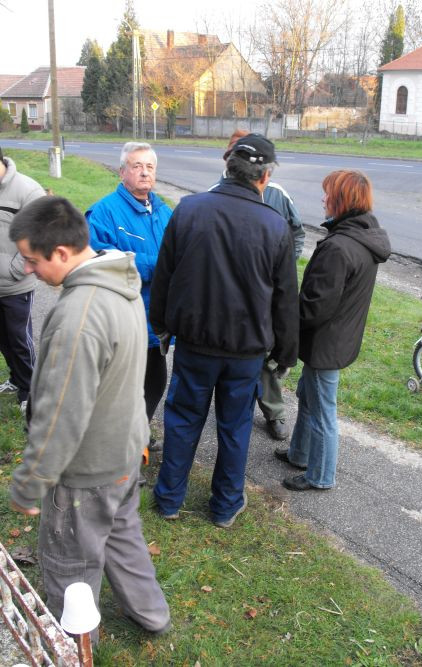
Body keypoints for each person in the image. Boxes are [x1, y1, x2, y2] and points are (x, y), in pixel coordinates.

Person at [9, 196, 170, 638]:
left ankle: (75, 645)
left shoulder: (77, 318)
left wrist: (31, 482)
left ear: (61, 253)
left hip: (86, 470)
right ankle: (152, 615)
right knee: (123, 539)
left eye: (31, 259)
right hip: (123, 454)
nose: (27, 270)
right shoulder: (121, 279)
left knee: (69, 562)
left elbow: (61, 413)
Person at [150, 133, 299, 528]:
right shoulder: (274, 224)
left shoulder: (189, 210)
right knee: (234, 428)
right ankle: (225, 505)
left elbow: (164, 278)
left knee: (182, 420)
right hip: (243, 350)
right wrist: (286, 352)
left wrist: (162, 327)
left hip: (197, 343)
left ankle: (169, 499)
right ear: (264, 177)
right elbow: (285, 298)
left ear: (229, 166)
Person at [275, 170, 391, 491]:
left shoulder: (340, 247)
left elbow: (315, 307)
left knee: (323, 411)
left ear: (341, 200)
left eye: (328, 193)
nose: (323, 198)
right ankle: (299, 453)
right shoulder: (361, 238)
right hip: (337, 339)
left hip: (325, 342)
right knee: (308, 397)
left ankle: (320, 476)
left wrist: (285, 322)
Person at [213, 130, 305, 441]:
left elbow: (297, 233)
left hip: (267, 293)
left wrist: (283, 269)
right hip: (229, 296)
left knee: (267, 359)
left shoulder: (278, 194)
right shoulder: (214, 195)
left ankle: (274, 413)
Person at [86, 142, 172, 439]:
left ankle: (138, 434)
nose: (144, 172)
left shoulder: (164, 211)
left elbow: (180, 254)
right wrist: (157, 266)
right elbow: (99, 259)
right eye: (136, 166)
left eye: (150, 167)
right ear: (122, 172)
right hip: (123, 318)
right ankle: (118, 444)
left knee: (155, 381)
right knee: (120, 388)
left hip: (155, 320)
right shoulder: (103, 212)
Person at [0, 146, 45, 413]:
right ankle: (17, 380)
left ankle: (31, 390)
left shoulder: (28, 191)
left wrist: (15, 269)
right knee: (3, 340)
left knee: (20, 340)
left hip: (16, 285)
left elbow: (40, 237)